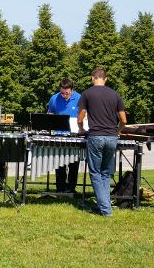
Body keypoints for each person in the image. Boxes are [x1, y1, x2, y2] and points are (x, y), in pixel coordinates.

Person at [77, 68, 127, 216]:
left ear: (92, 78)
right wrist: (117, 131)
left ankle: (106, 210)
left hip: (96, 137)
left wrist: (81, 129)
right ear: (105, 79)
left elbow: (80, 118)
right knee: (105, 173)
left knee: (95, 173)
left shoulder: (87, 94)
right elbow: (123, 120)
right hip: (112, 138)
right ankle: (103, 205)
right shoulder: (115, 94)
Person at [47, 78, 81, 193]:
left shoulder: (79, 98)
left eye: (67, 93)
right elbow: (50, 114)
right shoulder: (54, 99)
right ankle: (60, 189)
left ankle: (71, 189)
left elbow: (84, 116)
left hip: (74, 137)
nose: (64, 95)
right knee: (59, 165)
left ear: (72, 90)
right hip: (58, 136)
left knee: (73, 165)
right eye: (62, 93)